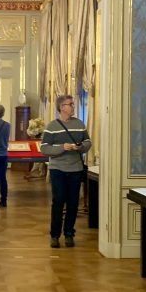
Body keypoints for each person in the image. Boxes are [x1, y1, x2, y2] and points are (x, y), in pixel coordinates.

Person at [39, 94, 91, 248]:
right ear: (62, 107)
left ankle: (69, 234)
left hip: (75, 169)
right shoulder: (52, 126)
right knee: (58, 201)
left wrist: (80, 147)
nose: (73, 107)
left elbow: (88, 142)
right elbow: (44, 148)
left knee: (73, 203)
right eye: (70, 104)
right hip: (58, 169)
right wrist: (62, 147)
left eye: (73, 104)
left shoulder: (80, 124)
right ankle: (55, 235)